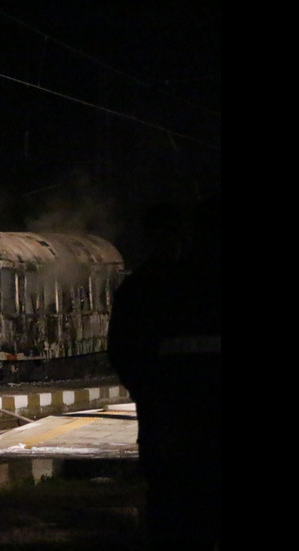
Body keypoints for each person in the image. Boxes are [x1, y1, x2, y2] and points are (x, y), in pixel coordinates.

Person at [108, 198, 220, 549]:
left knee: (169, 502)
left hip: (164, 417)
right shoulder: (206, 283)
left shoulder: (141, 287)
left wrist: (147, 393)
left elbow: (122, 352)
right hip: (203, 415)